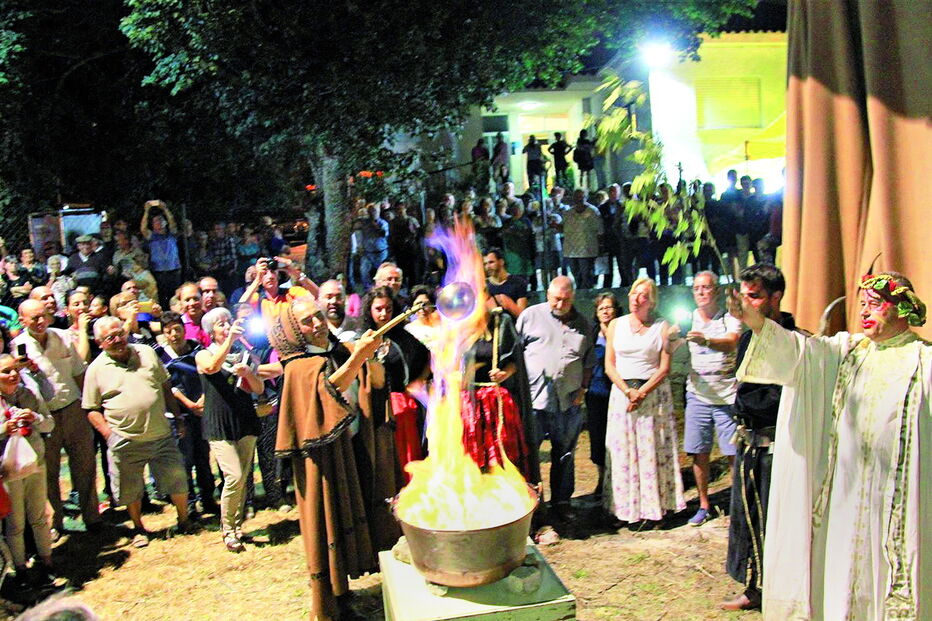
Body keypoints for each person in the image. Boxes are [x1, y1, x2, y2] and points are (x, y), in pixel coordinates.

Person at [731, 268, 930, 620]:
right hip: (846, 499)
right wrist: (756, 323)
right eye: (862, 304)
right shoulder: (849, 352)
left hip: (899, 500)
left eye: (875, 304)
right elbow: (800, 354)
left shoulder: (924, 362)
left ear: (901, 308)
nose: (865, 312)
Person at [270, 297, 399, 620]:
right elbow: (329, 390)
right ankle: (327, 607)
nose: (316, 325)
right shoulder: (298, 365)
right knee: (325, 521)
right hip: (320, 462)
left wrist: (371, 356)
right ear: (293, 331)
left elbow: (375, 382)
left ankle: (344, 595)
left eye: (318, 317)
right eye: (307, 322)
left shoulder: (336, 349)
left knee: (349, 515)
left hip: (349, 447)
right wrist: (358, 357)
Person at [721, 264, 799, 612]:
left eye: (755, 295)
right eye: (745, 294)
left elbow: (782, 393)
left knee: (773, 519)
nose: (748, 302)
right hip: (749, 443)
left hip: (775, 447)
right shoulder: (751, 335)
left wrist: (747, 404)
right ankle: (754, 587)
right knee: (747, 517)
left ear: (776, 296)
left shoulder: (791, 338)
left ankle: (778, 589)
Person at [82, 316, 196, 547]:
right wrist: (109, 435)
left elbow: (164, 385)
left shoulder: (146, 352)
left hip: (161, 433)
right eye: (110, 337)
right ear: (99, 342)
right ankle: (138, 528)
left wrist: (178, 416)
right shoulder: (95, 370)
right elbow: (91, 409)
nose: (117, 340)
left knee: (177, 478)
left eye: (120, 334)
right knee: (130, 488)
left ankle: (184, 520)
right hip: (125, 439)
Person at [13, 299, 100, 537]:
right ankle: (56, 524)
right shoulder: (17, 347)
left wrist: (90, 406)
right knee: (48, 472)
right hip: (43, 414)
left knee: (84, 465)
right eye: (34, 318)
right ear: (22, 321)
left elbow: (79, 372)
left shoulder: (62, 337)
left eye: (44, 316)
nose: (41, 322)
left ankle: (93, 518)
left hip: (73, 408)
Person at [602, 277, 685, 526]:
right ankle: (625, 509)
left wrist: (643, 392)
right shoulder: (616, 325)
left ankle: (652, 508)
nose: (637, 299)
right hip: (623, 393)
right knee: (623, 451)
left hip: (652, 394)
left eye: (644, 295)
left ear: (652, 301)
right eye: (634, 294)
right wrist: (628, 391)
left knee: (651, 450)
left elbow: (664, 367)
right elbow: (609, 364)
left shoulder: (662, 327)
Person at [516, 276, 593, 521]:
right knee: (529, 454)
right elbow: (515, 354)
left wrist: (583, 389)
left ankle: (561, 503)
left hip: (568, 401)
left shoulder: (583, 324)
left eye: (566, 299)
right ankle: (530, 506)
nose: (560, 304)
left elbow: (588, 361)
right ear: (547, 295)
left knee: (565, 454)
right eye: (556, 299)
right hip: (534, 401)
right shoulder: (530, 316)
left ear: (573, 297)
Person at [672, 271, 741, 526]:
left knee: (733, 452)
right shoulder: (688, 319)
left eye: (706, 288)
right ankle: (704, 504)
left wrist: (707, 340)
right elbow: (673, 342)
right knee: (698, 451)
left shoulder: (729, 317)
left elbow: (732, 342)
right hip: (698, 394)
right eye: (697, 288)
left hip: (726, 396)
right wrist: (670, 338)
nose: (701, 292)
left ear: (717, 291)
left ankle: (738, 504)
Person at [195, 308, 263, 552]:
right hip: (219, 423)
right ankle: (227, 529)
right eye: (220, 324)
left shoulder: (243, 354)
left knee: (243, 478)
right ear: (211, 331)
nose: (226, 327)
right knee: (232, 476)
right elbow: (212, 367)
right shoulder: (203, 354)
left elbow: (258, 388)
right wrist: (230, 342)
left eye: (228, 322)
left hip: (244, 420)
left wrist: (247, 373)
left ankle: (237, 526)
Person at [360, 287, 430, 480]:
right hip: (373, 408)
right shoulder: (363, 338)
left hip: (401, 405)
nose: (384, 314)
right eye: (379, 309)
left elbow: (427, 357)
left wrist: (417, 382)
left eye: (388, 309)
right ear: (370, 310)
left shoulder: (402, 337)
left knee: (405, 453)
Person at [154, 311, 218, 516]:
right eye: (169, 331)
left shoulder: (197, 349)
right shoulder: (161, 355)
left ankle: (208, 499)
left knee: (203, 458)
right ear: (164, 334)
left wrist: (203, 400)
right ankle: (189, 503)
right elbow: (168, 387)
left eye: (177, 329)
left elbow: (207, 373)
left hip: (201, 412)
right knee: (184, 460)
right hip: (179, 416)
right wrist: (188, 404)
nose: (174, 334)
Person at [0, 353, 56, 587]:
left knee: (39, 516)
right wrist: (4, 428)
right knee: (16, 523)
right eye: (6, 371)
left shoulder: (28, 394)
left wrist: (34, 417)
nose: (13, 375)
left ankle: (47, 562)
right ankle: (20, 568)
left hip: (35, 463)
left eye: (14, 369)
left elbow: (49, 423)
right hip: (9, 470)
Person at [461, 307, 534, 482]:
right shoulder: (458, 326)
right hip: (469, 402)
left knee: (500, 452)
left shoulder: (500, 323)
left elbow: (515, 361)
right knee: (471, 453)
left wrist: (504, 374)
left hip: (494, 400)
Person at [586, 292, 620, 499]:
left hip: (618, 391)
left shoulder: (624, 330)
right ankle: (601, 479)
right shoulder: (591, 334)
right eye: (601, 308)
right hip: (596, 392)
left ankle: (618, 480)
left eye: (609, 307)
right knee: (598, 437)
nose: (606, 311)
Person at [140, 200, 182, 308]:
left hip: (174, 271)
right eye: (155, 221)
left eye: (160, 220)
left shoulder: (171, 234)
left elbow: (172, 222)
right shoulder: (151, 236)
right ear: (153, 225)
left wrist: (165, 208)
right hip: (159, 273)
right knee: (162, 297)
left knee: (176, 296)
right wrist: (147, 210)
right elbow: (143, 228)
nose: (158, 222)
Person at [561, 188, 603, 290]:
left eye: (581, 197)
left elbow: (600, 231)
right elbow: (563, 228)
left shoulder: (593, 211)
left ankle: (587, 295)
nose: (578, 199)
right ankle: (579, 294)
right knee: (576, 275)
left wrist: (601, 247)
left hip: (587, 250)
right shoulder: (568, 213)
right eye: (576, 197)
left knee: (586, 275)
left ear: (586, 197)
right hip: (571, 250)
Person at [483, 248, 528, 319]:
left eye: (491, 262)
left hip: (514, 327)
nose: (488, 267)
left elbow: (523, 317)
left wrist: (509, 304)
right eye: (485, 264)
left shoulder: (518, 282)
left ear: (501, 262)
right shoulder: (484, 286)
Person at [357, 204, 389, 289]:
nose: (372, 213)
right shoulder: (364, 223)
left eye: (374, 211)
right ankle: (368, 289)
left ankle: (381, 288)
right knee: (364, 271)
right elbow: (356, 227)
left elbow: (383, 234)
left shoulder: (383, 223)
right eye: (370, 211)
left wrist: (375, 225)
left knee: (381, 272)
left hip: (380, 253)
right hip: (368, 252)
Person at [404, 285, 441, 350]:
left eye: (425, 304)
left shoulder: (442, 327)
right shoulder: (408, 330)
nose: (422, 309)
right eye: (418, 304)